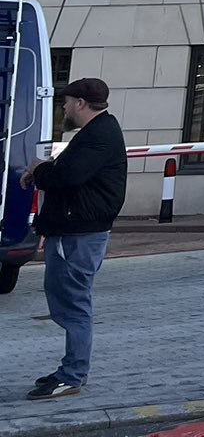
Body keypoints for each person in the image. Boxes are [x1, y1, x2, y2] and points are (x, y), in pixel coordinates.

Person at [23, 78, 127, 401]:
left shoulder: (99, 136)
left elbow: (66, 177)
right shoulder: (96, 134)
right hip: (72, 232)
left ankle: (72, 375)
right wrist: (47, 227)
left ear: (81, 103)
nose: (64, 108)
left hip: (79, 236)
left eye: (66, 102)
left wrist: (39, 170)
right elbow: (70, 180)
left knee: (74, 304)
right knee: (68, 301)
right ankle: (71, 369)